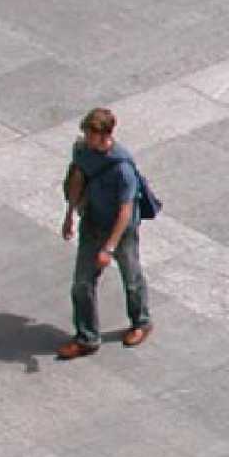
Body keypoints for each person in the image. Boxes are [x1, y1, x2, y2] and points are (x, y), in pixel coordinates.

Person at [58, 107, 152, 359]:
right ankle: (87, 338)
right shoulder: (82, 151)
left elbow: (125, 211)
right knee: (81, 283)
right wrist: (69, 215)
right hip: (92, 222)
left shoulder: (123, 168)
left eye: (90, 135)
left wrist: (109, 248)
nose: (86, 140)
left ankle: (141, 322)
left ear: (105, 135)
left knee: (131, 277)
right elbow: (77, 177)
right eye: (86, 134)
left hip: (120, 231)